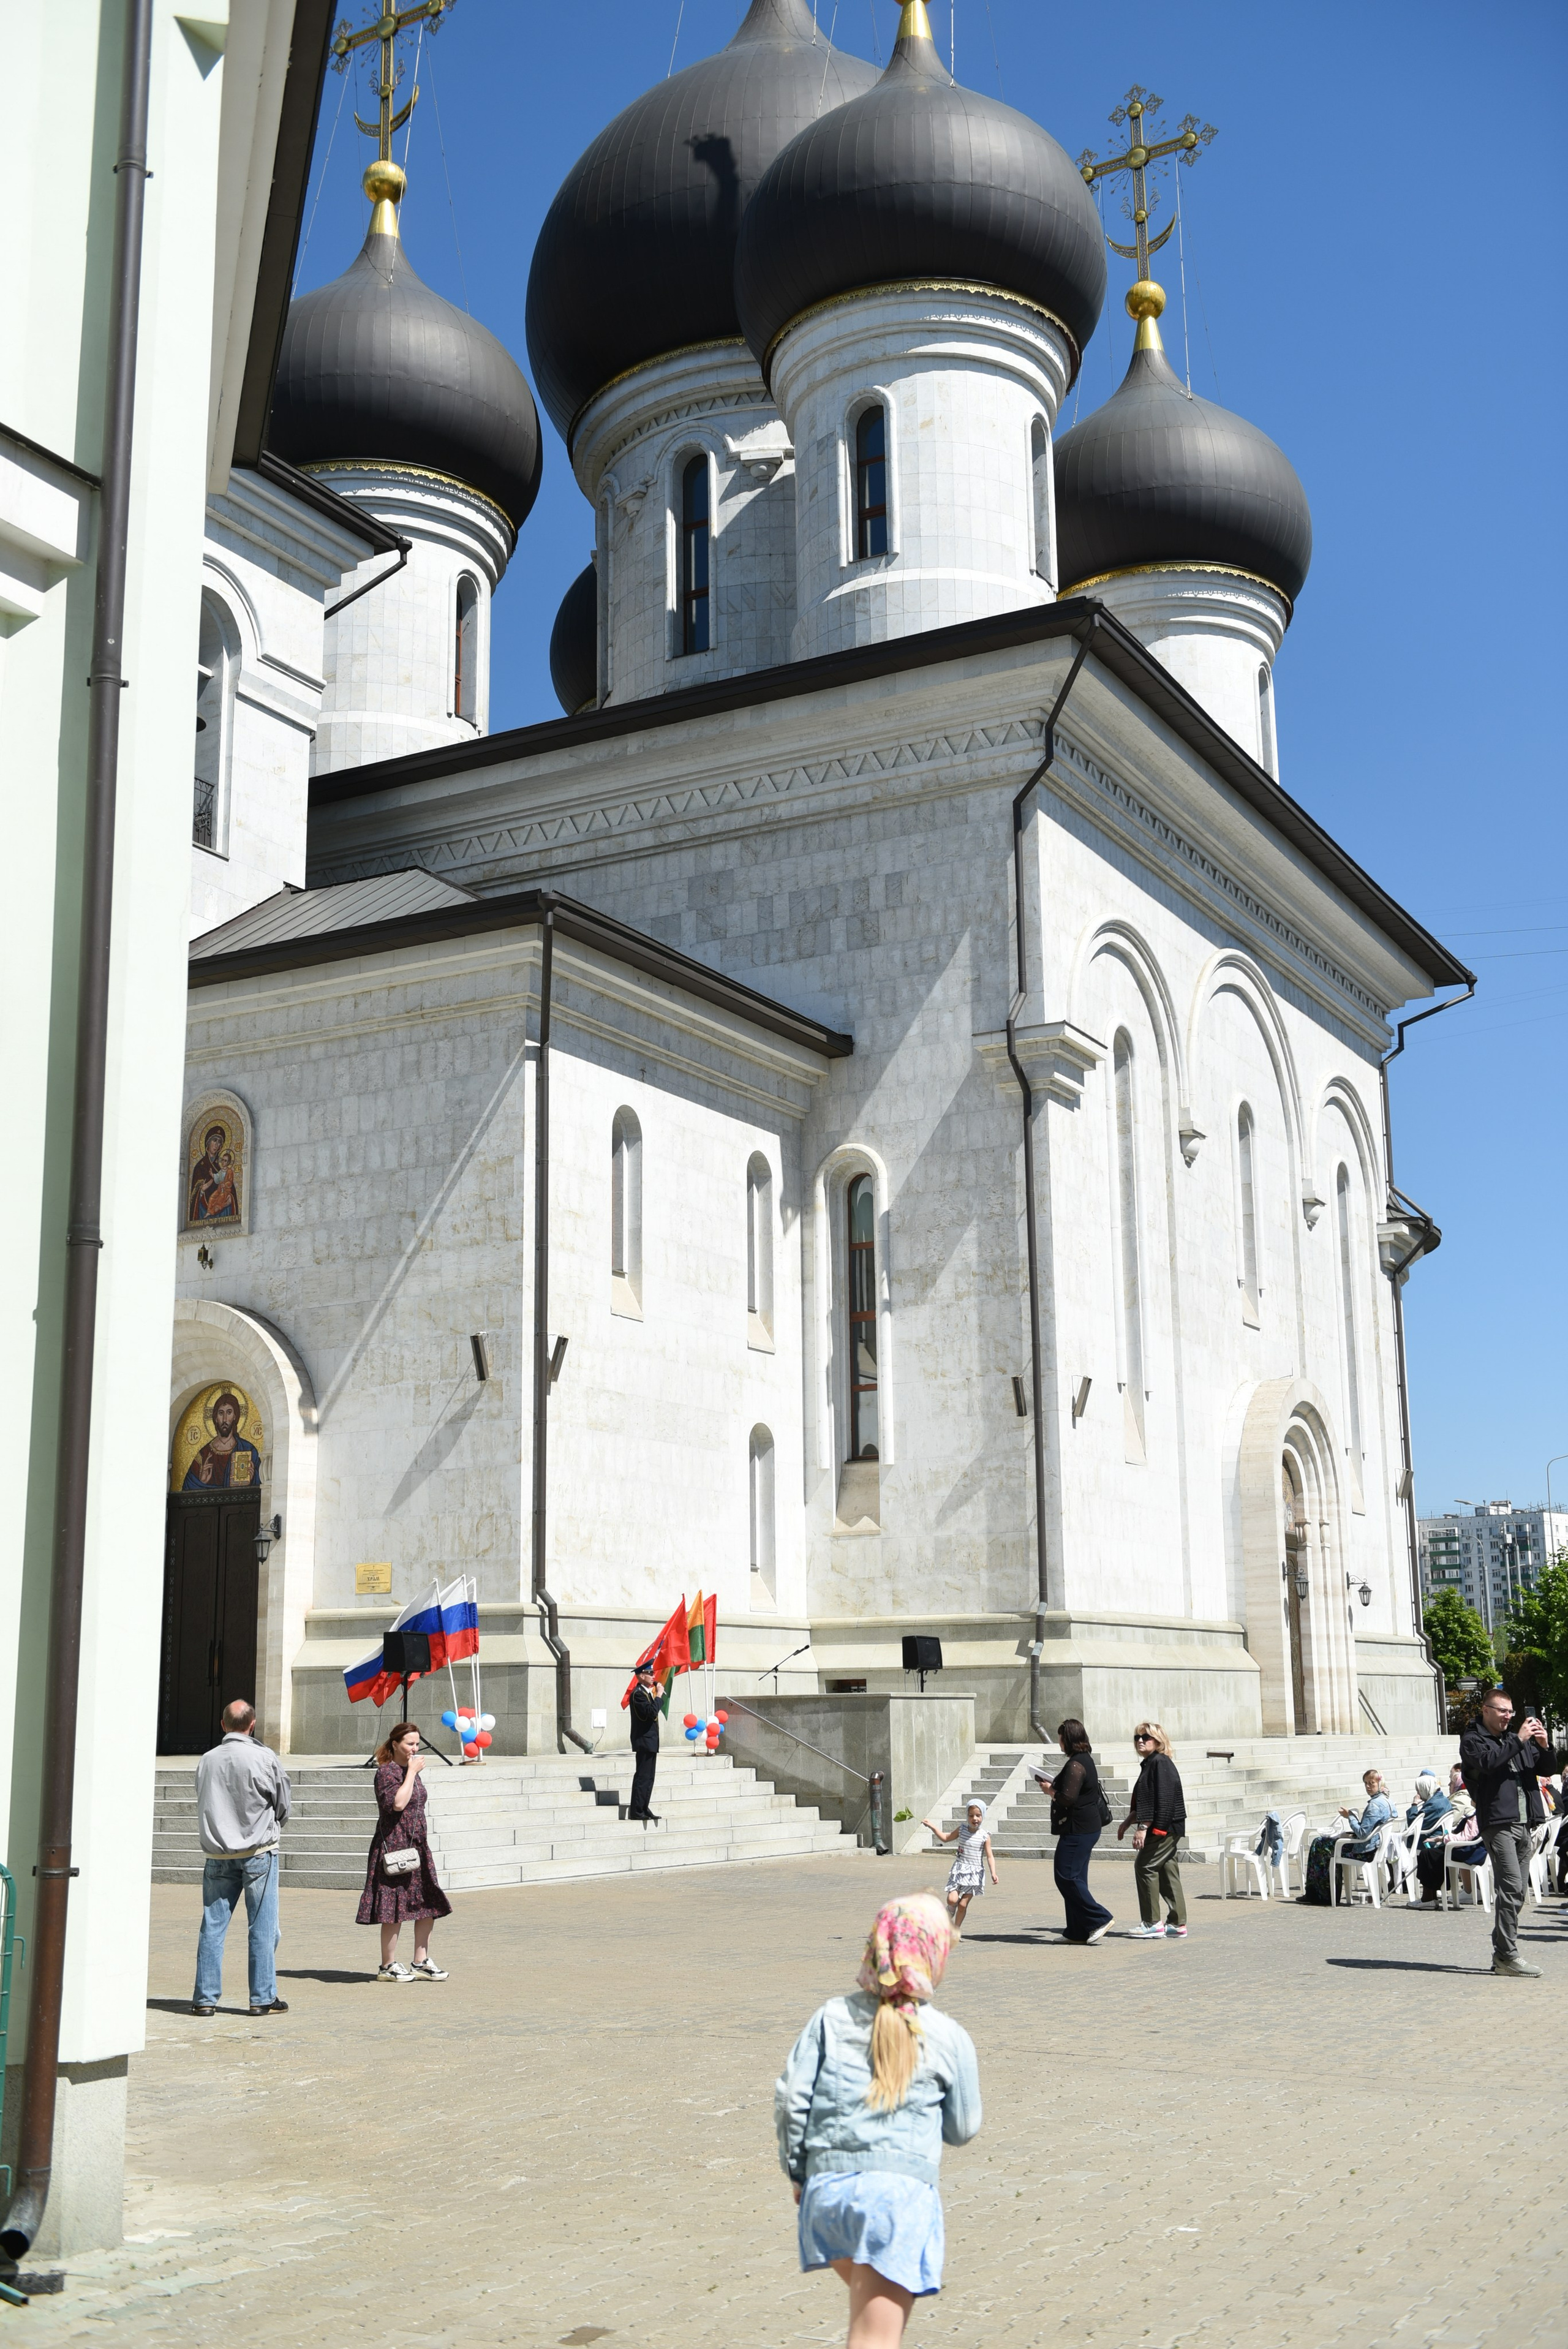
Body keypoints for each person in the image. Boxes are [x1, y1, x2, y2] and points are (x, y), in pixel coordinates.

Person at [775, 1894, 981, 2346]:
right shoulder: (948, 2035)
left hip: (826, 2196)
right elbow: (963, 2128)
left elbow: (792, 2099)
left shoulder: (829, 2016)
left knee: (868, 2316)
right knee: (873, 2339)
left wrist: (799, 2173)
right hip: (894, 2202)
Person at [192, 1699, 291, 2017]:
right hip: (258, 1851)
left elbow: (202, 1797)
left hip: (217, 1853)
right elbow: (283, 1802)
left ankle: (205, 1999)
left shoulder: (207, 1759)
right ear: (253, 1724)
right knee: (261, 1927)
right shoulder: (263, 1757)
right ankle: (262, 1998)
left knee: (213, 1926)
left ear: (223, 1725)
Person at [1459, 1689, 1557, 1977]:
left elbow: (1546, 1769)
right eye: (1502, 1711)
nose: (1508, 1717)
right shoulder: (1473, 1740)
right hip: (1498, 1822)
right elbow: (1489, 1763)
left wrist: (1544, 1744)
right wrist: (1520, 1739)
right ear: (1486, 1710)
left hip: (1524, 1822)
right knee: (1512, 1887)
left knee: (1517, 1892)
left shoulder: (1516, 1739)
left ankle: (1503, 1952)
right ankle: (1507, 1954)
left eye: (1511, 1712)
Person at [356, 1720, 451, 1980]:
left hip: (417, 1847)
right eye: (410, 1743)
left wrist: (412, 1773)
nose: (415, 1748)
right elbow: (397, 1804)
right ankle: (388, 1966)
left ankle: (420, 1963)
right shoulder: (386, 1773)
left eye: (417, 1743)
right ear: (396, 1744)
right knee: (394, 1907)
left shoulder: (411, 1770)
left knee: (427, 1902)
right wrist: (410, 1774)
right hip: (394, 1848)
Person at [1033, 1719, 1113, 1944]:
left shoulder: (1076, 1764)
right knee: (1076, 1878)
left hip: (1079, 1829)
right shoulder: (1084, 1760)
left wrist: (1051, 1791)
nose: (1059, 1742)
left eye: (1060, 1737)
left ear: (1067, 1739)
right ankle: (1077, 1931)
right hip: (1087, 1828)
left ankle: (1099, 1918)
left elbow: (1068, 1798)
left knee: (1066, 1876)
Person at [1117, 1721, 1187, 1939]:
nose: (1140, 1741)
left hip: (1164, 1826)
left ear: (1157, 1741)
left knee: (1145, 1865)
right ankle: (1176, 1923)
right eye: (1137, 1738)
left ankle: (1152, 1923)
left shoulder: (1160, 1763)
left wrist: (1144, 1828)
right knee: (1167, 1870)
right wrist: (1129, 1821)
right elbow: (1147, 1800)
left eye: (1145, 1737)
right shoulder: (1152, 1763)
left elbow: (1163, 1801)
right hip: (1167, 1826)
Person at [921, 1798, 997, 1932]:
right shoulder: (962, 1829)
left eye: (978, 1816)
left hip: (974, 1875)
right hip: (959, 1870)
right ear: (967, 1816)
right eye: (971, 1815)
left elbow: (990, 1856)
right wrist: (932, 1826)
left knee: (962, 1905)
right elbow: (946, 1838)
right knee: (952, 1900)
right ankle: (946, 1916)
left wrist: (993, 1873)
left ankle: (956, 1930)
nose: (975, 1819)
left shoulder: (985, 1836)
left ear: (983, 1816)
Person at [1405, 1770, 1454, 1907]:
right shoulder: (1441, 1799)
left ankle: (1427, 1898)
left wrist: (1414, 1805)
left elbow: (1413, 1825)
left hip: (1431, 1839)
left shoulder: (1434, 1804)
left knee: (1401, 1843)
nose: (1419, 1794)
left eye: (1419, 1790)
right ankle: (1430, 1898)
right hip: (1435, 1837)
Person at [627, 1657, 662, 1823]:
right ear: (641, 1676)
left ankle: (643, 1806)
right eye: (649, 1673)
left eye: (653, 1673)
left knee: (649, 1778)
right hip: (644, 1742)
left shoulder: (647, 1693)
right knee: (642, 1777)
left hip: (651, 1742)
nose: (653, 1676)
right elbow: (651, 1713)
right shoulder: (638, 1695)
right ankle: (637, 1811)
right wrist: (659, 1696)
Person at [1335, 1770, 1395, 1858]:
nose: (1368, 1786)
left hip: (1367, 1850)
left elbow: (1362, 1834)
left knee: (1320, 1844)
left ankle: (1325, 1872)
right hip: (1377, 1845)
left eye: (1372, 1783)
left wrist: (1350, 1816)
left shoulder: (1374, 1806)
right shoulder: (1387, 1800)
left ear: (1380, 1783)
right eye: (1366, 1783)